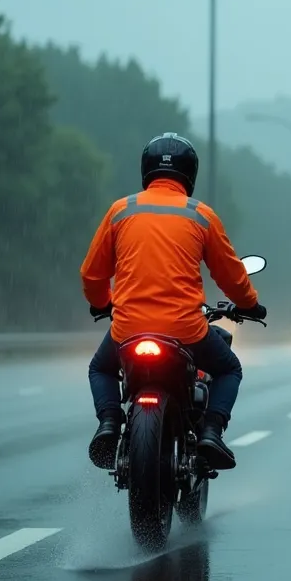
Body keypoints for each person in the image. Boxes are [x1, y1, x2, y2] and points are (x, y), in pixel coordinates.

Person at [80, 132, 267, 472]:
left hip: (129, 327)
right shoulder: (201, 215)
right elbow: (232, 276)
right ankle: (210, 432)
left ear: (146, 170)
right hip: (186, 330)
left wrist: (101, 303)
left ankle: (108, 423)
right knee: (229, 369)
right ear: (190, 174)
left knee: (101, 368)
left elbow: (92, 275)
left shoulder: (121, 211)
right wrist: (251, 305)